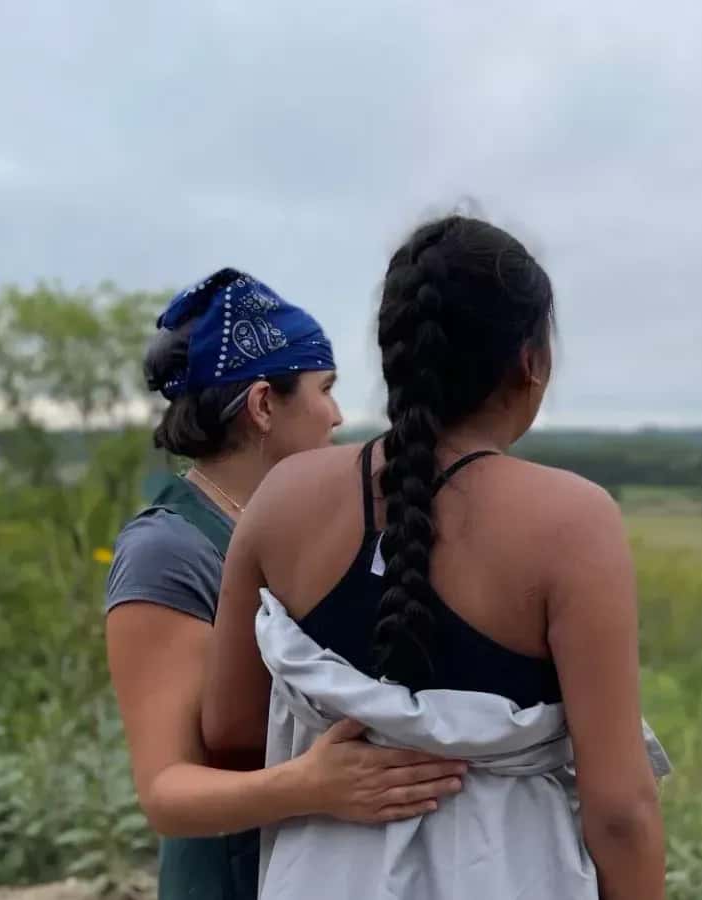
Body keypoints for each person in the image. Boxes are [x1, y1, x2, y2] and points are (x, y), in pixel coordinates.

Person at [201, 215, 669, 899]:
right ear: (531, 362)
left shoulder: (282, 498)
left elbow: (230, 731)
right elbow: (621, 811)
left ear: (398, 354)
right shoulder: (574, 524)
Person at [105, 269, 469, 900]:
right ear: (264, 405)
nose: (335, 414)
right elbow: (168, 792)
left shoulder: (303, 526)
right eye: (323, 389)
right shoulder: (169, 551)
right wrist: (312, 786)